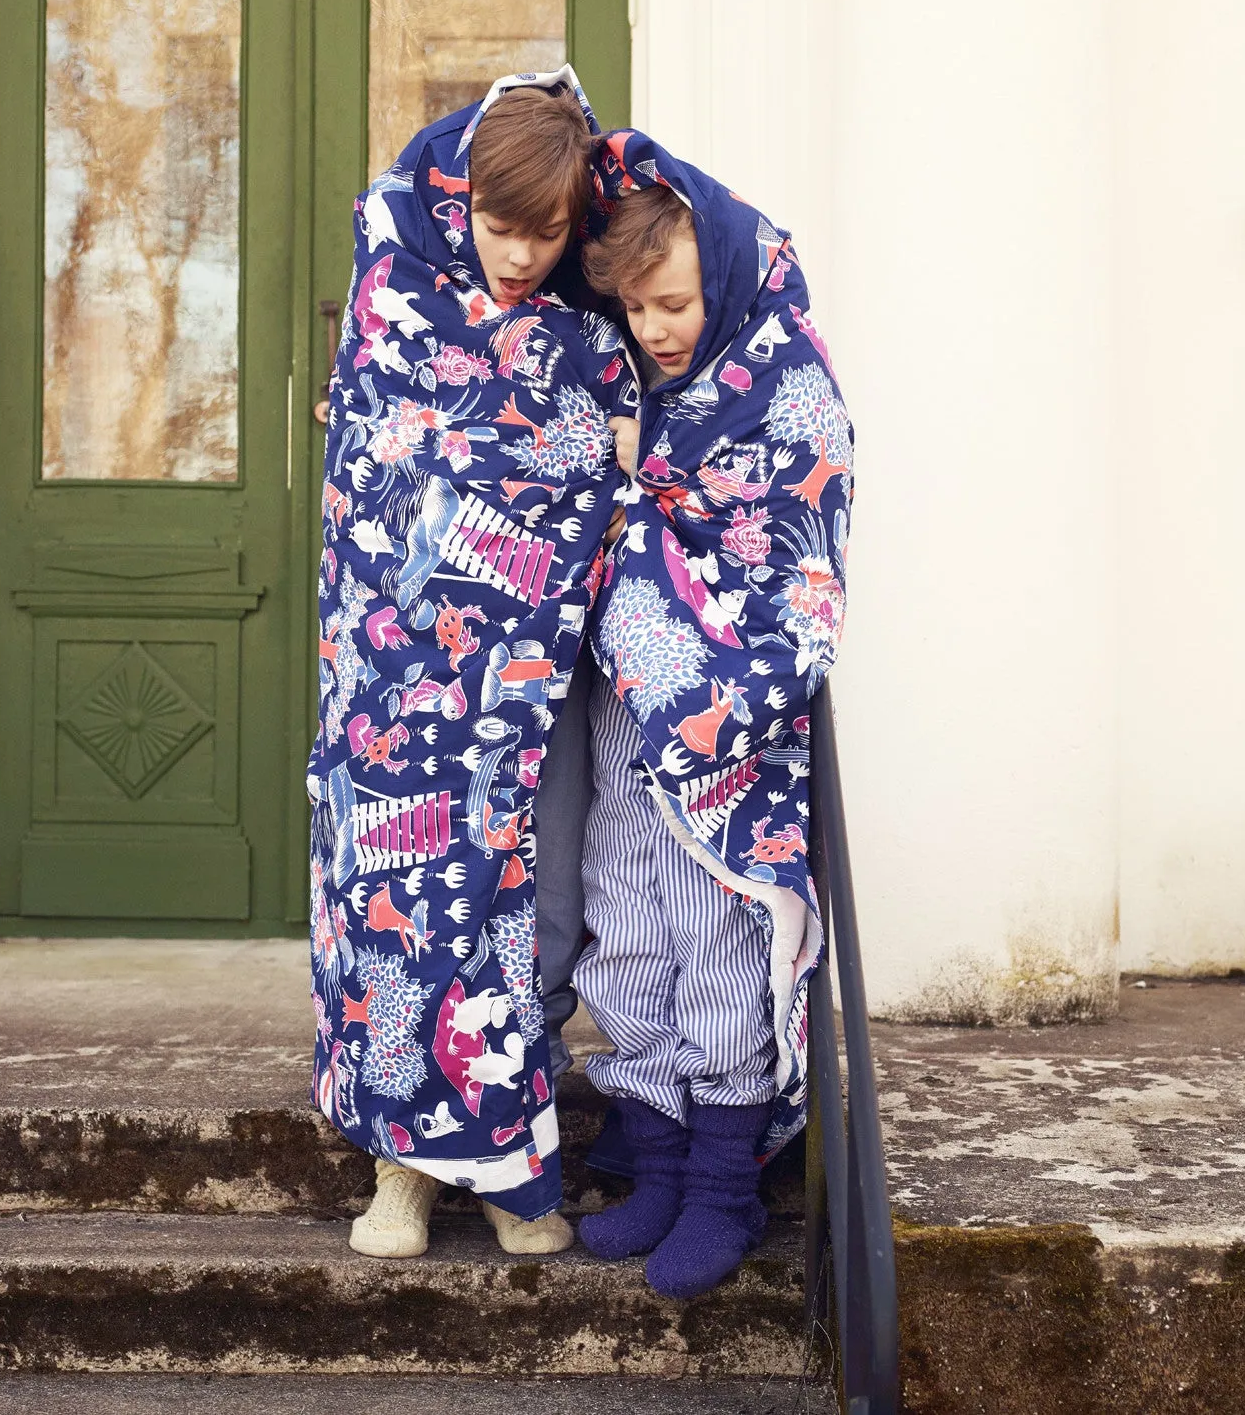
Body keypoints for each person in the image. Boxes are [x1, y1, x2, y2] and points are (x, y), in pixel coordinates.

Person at [310, 71, 638, 1261]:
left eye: (546, 235)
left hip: (537, 673)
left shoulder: (587, 305)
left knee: (534, 913)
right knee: (398, 911)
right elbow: (378, 454)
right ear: (461, 200)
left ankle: (512, 1163)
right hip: (399, 673)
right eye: (502, 229)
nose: (519, 255)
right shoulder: (398, 277)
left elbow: (609, 452)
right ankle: (402, 1168)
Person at [569, 135, 852, 1298]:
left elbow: (806, 567)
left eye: (673, 301)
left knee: (719, 936)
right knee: (623, 911)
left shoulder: (791, 388)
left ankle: (726, 1189)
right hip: (623, 697)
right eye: (636, 308)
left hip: (727, 712)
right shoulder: (640, 383)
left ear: (723, 274)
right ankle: (660, 1162)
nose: (656, 329)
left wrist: (731, 702)